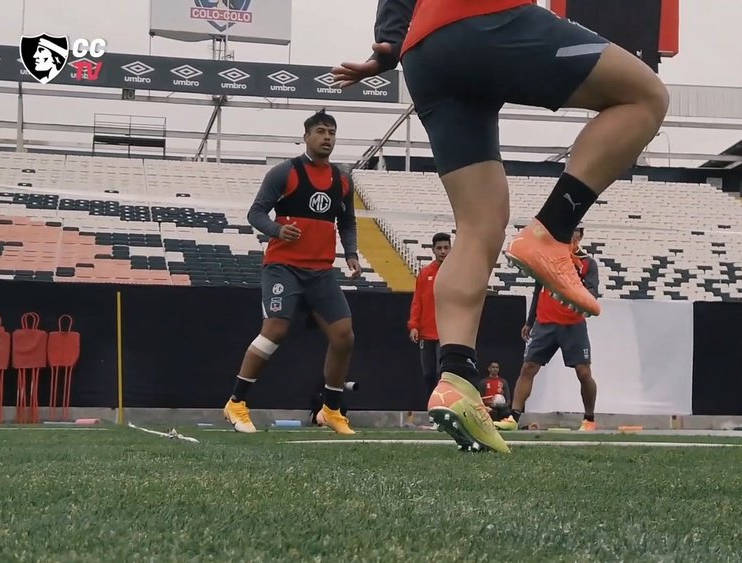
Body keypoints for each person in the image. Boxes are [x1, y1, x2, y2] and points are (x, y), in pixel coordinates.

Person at [331, 0, 668, 453]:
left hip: (426, 55)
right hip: (489, 19)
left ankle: (457, 379)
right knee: (646, 96)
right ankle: (553, 230)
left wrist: (390, 45)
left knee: (478, 226)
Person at [222, 109, 362, 435]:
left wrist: (351, 253)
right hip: (283, 268)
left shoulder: (343, 179)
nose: (327, 137)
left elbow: (348, 222)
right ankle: (236, 403)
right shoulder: (285, 172)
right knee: (275, 330)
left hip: (321, 271)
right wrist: (276, 230)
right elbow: (255, 212)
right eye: (321, 131)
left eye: (331, 132)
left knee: (344, 336)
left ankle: (330, 410)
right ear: (307, 136)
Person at [502, 227, 599, 431]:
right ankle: (513, 417)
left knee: (583, 372)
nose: (569, 235)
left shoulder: (588, 263)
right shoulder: (548, 257)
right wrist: (530, 321)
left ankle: (589, 419)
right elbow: (538, 289)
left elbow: (592, 292)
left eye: (574, 231)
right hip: (545, 322)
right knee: (528, 367)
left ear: (580, 236)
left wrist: (575, 290)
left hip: (573, 324)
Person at [408, 232, 451, 391]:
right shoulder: (425, 273)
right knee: (428, 373)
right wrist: (413, 325)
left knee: (443, 372)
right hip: (426, 332)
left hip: (445, 332)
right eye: (439, 248)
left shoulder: (456, 272)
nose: (442, 251)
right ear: (433, 250)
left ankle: (441, 405)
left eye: (446, 248)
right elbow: (417, 301)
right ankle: (431, 407)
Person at [477, 361, 516, 430]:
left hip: (501, 407)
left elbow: (508, 400)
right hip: (488, 407)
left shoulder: (503, 382)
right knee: (492, 413)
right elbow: (479, 398)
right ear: (489, 369)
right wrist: (487, 406)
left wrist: (501, 406)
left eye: (497, 367)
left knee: (507, 412)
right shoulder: (483, 382)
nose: (495, 369)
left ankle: (505, 425)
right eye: (493, 367)